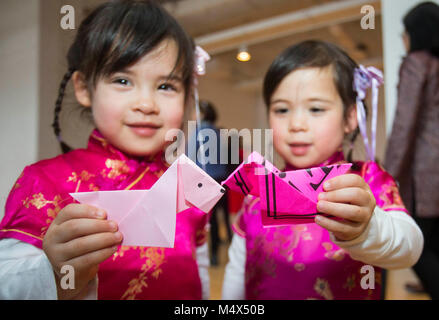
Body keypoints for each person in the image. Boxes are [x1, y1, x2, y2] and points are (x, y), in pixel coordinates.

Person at [0, 0, 210, 300]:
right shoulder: (43, 182)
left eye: (166, 86)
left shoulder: (190, 182)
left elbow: (198, 269)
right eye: (123, 81)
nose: (146, 104)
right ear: (84, 88)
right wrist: (54, 274)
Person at [222, 40, 423, 300]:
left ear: (351, 117)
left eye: (316, 109)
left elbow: (410, 247)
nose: (296, 124)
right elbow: (238, 268)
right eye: (281, 109)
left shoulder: (365, 180)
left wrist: (367, 228)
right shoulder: (259, 190)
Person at [384, 2, 439, 299]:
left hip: (426, 171)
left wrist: (387, 176)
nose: (403, 38)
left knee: (412, 247)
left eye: (405, 32)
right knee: (435, 242)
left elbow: (405, 125)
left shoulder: (416, 63)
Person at [189, 100, 232, 266]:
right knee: (220, 219)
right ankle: (216, 254)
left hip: (205, 179)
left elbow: (190, 157)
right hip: (222, 179)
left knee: (204, 219)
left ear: (202, 113)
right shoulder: (218, 132)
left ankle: (202, 255)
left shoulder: (199, 131)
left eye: (195, 110)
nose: (193, 114)